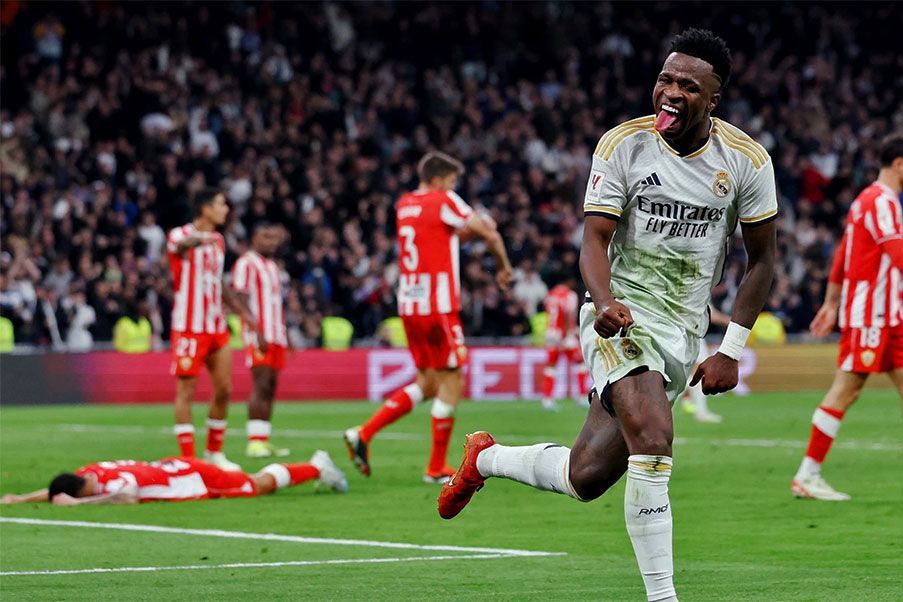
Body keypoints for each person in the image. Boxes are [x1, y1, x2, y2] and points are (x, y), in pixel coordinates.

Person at [438, 29, 777, 602]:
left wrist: (731, 349)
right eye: (665, 79)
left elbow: (763, 260)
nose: (670, 92)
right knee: (654, 435)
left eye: (688, 87)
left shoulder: (745, 161)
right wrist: (604, 300)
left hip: (684, 328)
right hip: (618, 314)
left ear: (713, 101)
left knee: (586, 476)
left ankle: (486, 457)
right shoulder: (623, 145)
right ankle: (663, 596)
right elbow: (593, 240)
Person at [343, 152, 513, 483]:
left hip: (410, 304)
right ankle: (435, 467)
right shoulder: (442, 198)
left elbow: (439, 237)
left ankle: (363, 433)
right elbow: (489, 233)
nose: (453, 187)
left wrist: (468, 232)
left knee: (428, 382)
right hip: (439, 305)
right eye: (451, 181)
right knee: (452, 380)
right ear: (438, 180)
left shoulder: (405, 203)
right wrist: (504, 268)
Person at [791, 135, 903, 501]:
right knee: (846, 389)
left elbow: (843, 253)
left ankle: (808, 475)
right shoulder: (882, 202)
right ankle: (807, 475)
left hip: (889, 316)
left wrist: (831, 301)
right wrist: (835, 303)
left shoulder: (863, 202)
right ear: (899, 164)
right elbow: (897, 253)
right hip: (872, 316)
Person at [167, 188, 256, 471]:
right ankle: (188, 459)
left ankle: (214, 454)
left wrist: (245, 314)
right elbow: (180, 248)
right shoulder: (179, 235)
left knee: (225, 389)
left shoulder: (219, 241)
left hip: (215, 325)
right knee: (187, 390)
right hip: (188, 326)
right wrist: (198, 238)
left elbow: (218, 283)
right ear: (205, 209)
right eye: (220, 204)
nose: (226, 209)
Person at [0, 451, 347, 505]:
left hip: (193, 479)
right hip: (178, 468)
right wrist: (19, 498)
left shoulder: (106, 485)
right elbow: (60, 489)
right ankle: (315, 467)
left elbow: (127, 496)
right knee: (249, 481)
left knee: (256, 486)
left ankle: (317, 466)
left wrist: (78, 507)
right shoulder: (89, 473)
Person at [232, 222, 291, 458]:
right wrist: (255, 329)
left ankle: (263, 439)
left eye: (273, 238)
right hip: (260, 333)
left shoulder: (273, 266)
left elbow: (276, 303)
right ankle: (253, 442)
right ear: (253, 239)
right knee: (261, 382)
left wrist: (286, 333)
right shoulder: (247, 263)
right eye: (265, 237)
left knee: (272, 386)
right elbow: (240, 298)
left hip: (277, 333)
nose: (270, 242)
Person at [540, 271, 589, 411]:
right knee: (580, 362)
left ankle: (547, 400)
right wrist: (566, 336)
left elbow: (551, 315)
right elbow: (568, 315)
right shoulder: (570, 295)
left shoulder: (550, 295)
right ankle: (581, 397)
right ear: (570, 282)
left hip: (551, 333)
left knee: (551, 366)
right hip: (563, 335)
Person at [680, 305, 731, 423]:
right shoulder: (698, 288)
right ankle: (698, 409)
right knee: (699, 371)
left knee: (693, 373)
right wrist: (732, 322)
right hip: (691, 333)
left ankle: (689, 400)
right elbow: (710, 313)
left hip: (686, 332)